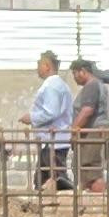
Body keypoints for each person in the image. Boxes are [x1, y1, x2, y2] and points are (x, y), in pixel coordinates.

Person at [27, 49, 76, 191]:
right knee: (42, 179)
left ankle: (71, 200)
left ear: (47, 66)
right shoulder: (56, 85)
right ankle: (43, 208)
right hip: (50, 141)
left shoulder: (51, 86)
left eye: (39, 64)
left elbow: (51, 112)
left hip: (54, 141)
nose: (37, 67)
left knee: (57, 178)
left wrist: (31, 117)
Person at [68, 57, 109, 192]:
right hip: (98, 131)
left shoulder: (91, 85)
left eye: (74, 74)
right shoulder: (98, 85)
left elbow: (87, 110)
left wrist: (74, 130)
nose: (75, 79)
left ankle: (99, 206)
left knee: (91, 171)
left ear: (82, 71)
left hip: (95, 132)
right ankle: (92, 203)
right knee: (85, 170)